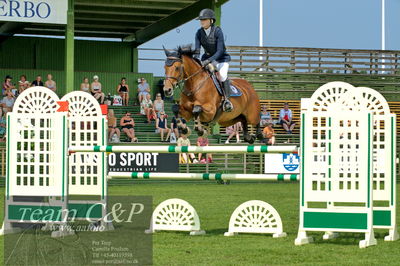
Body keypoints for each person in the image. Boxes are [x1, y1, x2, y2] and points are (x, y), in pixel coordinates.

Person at [194, 8, 233, 112]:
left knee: (222, 75)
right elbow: (197, 50)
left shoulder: (218, 31)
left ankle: (227, 100)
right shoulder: (199, 33)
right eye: (201, 20)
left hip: (221, 59)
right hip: (207, 59)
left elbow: (220, 51)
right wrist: (195, 59)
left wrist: (209, 61)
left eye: (204, 19)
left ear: (211, 21)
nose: (202, 22)